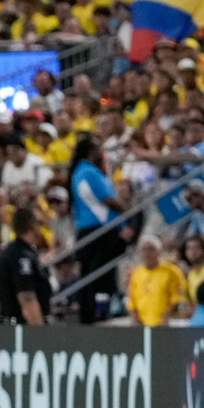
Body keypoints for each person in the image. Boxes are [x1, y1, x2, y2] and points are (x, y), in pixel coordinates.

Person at [69, 136, 126, 323]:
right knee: (101, 275)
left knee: (89, 275)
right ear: (91, 152)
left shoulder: (78, 172)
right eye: (98, 149)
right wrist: (129, 211)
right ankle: (100, 312)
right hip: (98, 230)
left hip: (86, 229)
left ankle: (91, 312)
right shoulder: (90, 172)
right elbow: (108, 200)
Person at [0, 206, 50, 324]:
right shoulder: (21, 257)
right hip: (20, 327)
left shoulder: (21, 252)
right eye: (39, 223)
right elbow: (27, 298)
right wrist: (41, 334)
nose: (41, 227)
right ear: (32, 225)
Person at [125, 236, 185, 327]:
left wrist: (166, 316)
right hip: (142, 322)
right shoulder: (136, 273)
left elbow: (178, 296)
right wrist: (134, 317)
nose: (147, 254)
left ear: (159, 252)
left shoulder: (171, 271)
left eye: (151, 249)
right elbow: (131, 299)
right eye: (144, 250)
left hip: (166, 322)